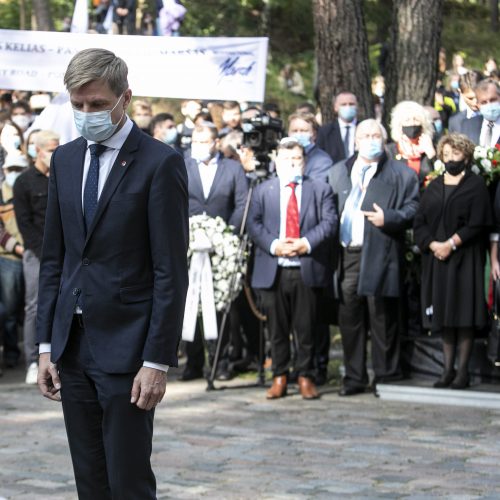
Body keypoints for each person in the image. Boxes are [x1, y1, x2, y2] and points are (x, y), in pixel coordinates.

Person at [36, 48, 189, 499]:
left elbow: (169, 271)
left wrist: (156, 361)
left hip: (129, 350)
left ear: (125, 97)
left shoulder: (160, 163)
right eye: (78, 105)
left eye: (98, 105)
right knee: (90, 481)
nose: (87, 114)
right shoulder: (63, 160)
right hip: (72, 346)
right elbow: (54, 260)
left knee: (127, 481)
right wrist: (45, 345)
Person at [328, 119, 419, 395]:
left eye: (375, 135)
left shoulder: (401, 174)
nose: (370, 139)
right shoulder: (339, 171)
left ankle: (386, 374)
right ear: (355, 141)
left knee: (381, 315)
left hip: (380, 251)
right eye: (365, 135)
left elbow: (415, 208)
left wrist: (389, 217)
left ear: (384, 138)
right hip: (348, 253)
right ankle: (354, 377)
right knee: (350, 316)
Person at [247, 137, 337, 399]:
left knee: (306, 327)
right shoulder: (264, 190)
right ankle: (280, 375)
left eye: (297, 159)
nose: (292, 164)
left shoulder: (320, 189)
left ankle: (306, 376)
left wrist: (305, 243)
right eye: (287, 160)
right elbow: (254, 223)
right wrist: (275, 245)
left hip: (306, 267)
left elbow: (330, 222)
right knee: (277, 328)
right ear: (277, 162)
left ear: (304, 162)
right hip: (274, 268)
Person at [413, 133, 491, 389]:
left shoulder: (475, 184)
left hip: (464, 259)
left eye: (455, 155)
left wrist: (452, 243)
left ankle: (463, 372)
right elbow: (420, 222)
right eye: (445, 155)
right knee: (445, 315)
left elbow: (478, 222)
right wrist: (433, 244)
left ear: (466, 156)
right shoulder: (433, 185)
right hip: (438, 259)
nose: (450, 160)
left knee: (463, 315)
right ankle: (447, 370)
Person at [181, 122, 248, 381]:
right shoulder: (182, 164)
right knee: (190, 305)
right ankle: (193, 362)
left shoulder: (232, 168)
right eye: (195, 142)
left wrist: (226, 234)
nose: (200, 147)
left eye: (205, 141)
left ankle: (220, 361)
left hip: (222, 248)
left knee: (219, 306)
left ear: (216, 142)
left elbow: (241, 203)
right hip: (189, 245)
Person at [13, 130, 59, 384]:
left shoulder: (63, 176)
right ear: (38, 151)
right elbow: (24, 223)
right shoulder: (24, 182)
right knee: (35, 305)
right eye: (51, 149)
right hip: (37, 253)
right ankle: (33, 359)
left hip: (64, 253)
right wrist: (44, 254)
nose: (54, 152)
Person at [0, 151, 27, 369]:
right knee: (8, 311)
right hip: (9, 257)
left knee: (28, 309)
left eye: (19, 170)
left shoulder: (26, 189)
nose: (15, 174)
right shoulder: (2, 193)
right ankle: (10, 353)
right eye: (12, 170)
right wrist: (17, 247)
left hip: (29, 255)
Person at [388, 100, 436, 188]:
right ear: (399, 125)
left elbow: (440, 175)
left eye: (416, 119)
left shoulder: (432, 149)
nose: (412, 123)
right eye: (407, 120)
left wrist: (432, 155)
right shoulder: (390, 151)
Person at [288, 112, 333, 182]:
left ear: (314, 134)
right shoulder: (283, 156)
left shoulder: (322, 161)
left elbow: (315, 188)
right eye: (294, 131)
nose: (298, 134)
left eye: (303, 131)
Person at [316, 91, 358, 163]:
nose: (348, 107)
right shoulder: (325, 132)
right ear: (336, 107)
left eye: (351, 104)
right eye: (343, 104)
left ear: (357, 106)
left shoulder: (364, 129)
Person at [461, 79, 500, 148]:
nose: (489, 105)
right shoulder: (468, 125)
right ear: (478, 104)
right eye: (484, 102)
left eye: (493, 100)